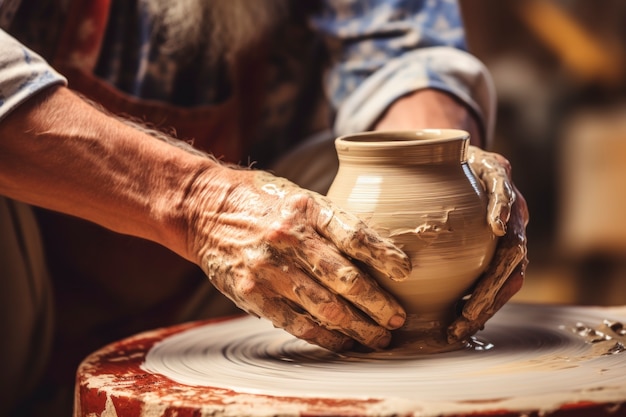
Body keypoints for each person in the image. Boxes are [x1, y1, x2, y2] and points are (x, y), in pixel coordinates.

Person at [0, 1, 528, 416]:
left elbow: (402, 46)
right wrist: (197, 202)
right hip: (24, 275)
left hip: (227, 289)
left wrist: (444, 168)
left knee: (366, 187)